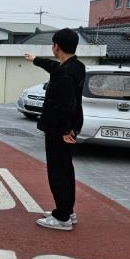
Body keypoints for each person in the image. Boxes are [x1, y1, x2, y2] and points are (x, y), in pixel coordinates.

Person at [24, 28, 85, 231]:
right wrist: (35, 59)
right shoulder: (76, 66)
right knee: (66, 169)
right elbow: (54, 67)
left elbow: (66, 104)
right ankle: (67, 210)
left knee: (58, 172)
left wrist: (66, 131)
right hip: (68, 128)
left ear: (56, 46)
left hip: (59, 129)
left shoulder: (65, 74)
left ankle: (62, 217)